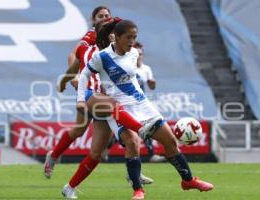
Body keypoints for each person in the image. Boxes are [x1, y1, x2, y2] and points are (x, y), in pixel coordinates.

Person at [74, 19, 214, 199]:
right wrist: (81, 100)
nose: (132, 41)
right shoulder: (102, 57)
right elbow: (84, 75)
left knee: (170, 140)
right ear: (116, 37)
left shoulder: (133, 53)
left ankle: (188, 180)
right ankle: (138, 190)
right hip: (119, 108)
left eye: (135, 37)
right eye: (128, 37)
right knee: (132, 143)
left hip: (142, 103)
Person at [44, 8, 154, 185]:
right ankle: (54, 155)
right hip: (91, 93)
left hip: (108, 94)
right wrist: (70, 79)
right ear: (93, 21)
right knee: (80, 130)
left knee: (123, 133)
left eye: (107, 16)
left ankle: (133, 172)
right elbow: (75, 59)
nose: (105, 18)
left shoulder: (116, 38)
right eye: (100, 16)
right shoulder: (90, 40)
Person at [134, 41, 165, 163]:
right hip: (128, 103)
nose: (139, 56)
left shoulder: (146, 69)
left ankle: (152, 154)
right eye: (137, 54)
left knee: (145, 127)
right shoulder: (128, 67)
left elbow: (151, 86)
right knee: (129, 129)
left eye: (141, 54)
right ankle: (106, 148)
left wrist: (152, 84)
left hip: (141, 103)